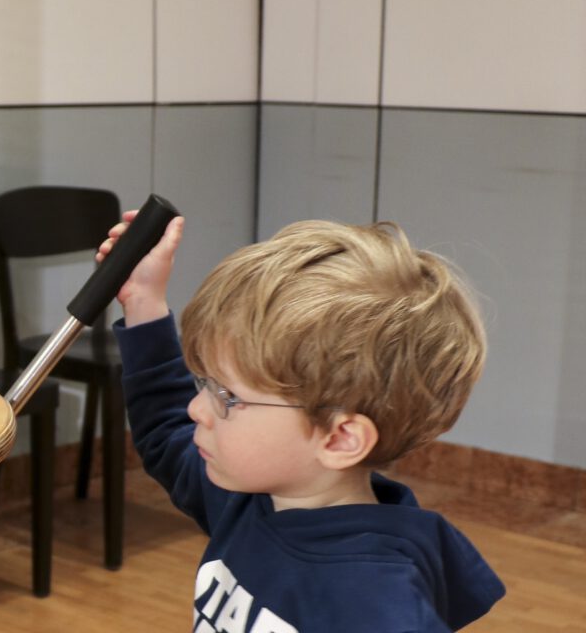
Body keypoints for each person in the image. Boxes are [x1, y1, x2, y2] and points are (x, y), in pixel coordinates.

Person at [97, 213, 505, 632]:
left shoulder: (376, 605)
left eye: (227, 397)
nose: (196, 409)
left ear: (340, 438)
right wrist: (143, 301)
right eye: (204, 383)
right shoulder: (252, 496)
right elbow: (165, 431)